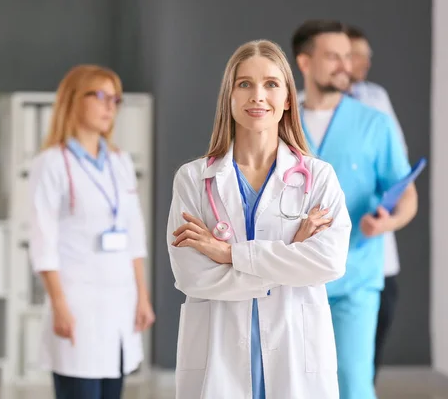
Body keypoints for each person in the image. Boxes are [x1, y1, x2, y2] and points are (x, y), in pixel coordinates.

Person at [167, 39, 352, 399]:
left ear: (287, 99)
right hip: (218, 360)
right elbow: (192, 275)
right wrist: (291, 254)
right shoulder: (193, 179)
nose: (257, 96)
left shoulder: (318, 177)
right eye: (245, 84)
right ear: (230, 97)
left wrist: (229, 255)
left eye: (271, 84)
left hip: (295, 359)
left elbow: (329, 262)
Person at [291, 20, 418, 399]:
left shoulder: (374, 123)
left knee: (353, 385)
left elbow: (406, 193)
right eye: (333, 56)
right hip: (291, 276)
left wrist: (388, 221)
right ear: (304, 62)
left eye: (348, 56)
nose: (345, 65)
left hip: (355, 277)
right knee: (294, 384)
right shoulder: (281, 122)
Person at [28, 64, 155, 399]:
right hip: (77, 300)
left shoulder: (120, 161)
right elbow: (44, 242)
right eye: (100, 96)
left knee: (112, 389)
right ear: (73, 100)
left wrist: (141, 295)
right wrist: (59, 304)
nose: (110, 106)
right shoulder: (52, 163)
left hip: (120, 299)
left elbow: (134, 233)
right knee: (80, 386)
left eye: (115, 99)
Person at [345, 24, 409, 382]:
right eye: (355, 55)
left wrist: (389, 209)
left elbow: (397, 163)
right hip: (337, 251)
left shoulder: (375, 98)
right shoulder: (308, 106)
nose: (363, 63)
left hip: (376, 243)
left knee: (371, 348)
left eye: (367, 56)